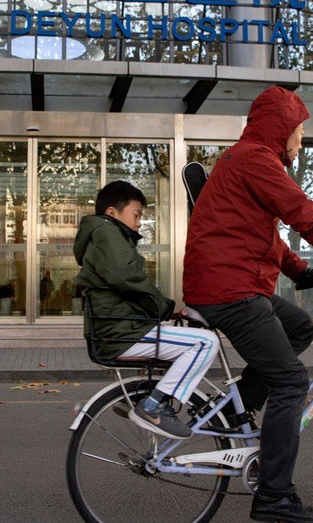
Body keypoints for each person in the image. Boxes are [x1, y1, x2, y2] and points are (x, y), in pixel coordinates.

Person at [183, 85, 313, 523]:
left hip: (232, 284)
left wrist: (301, 272)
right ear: (282, 128)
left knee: (300, 327)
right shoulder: (256, 159)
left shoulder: (247, 158)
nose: (301, 139)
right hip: (231, 290)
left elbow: (264, 235)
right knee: (292, 381)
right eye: (299, 129)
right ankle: (274, 498)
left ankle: (234, 407)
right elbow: (303, 213)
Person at [74, 180, 219, 440]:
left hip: (119, 330)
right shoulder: (107, 233)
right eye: (137, 214)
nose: (140, 222)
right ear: (112, 213)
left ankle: (140, 393)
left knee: (181, 335)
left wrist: (167, 312)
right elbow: (126, 278)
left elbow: (126, 282)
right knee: (205, 343)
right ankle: (152, 406)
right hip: (121, 334)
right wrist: (166, 308)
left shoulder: (103, 235)